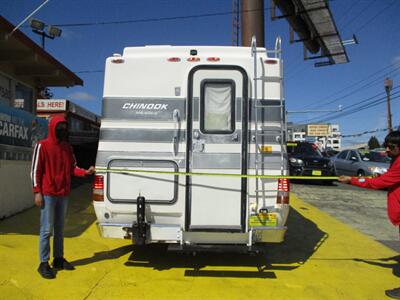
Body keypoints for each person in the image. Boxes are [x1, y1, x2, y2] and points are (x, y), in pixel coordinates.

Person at [30, 115, 95, 279]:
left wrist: (85, 172)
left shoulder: (68, 148)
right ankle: (43, 263)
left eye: (65, 127)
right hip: (48, 194)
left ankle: (58, 259)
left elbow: (73, 168)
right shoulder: (42, 146)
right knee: (46, 229)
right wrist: (37, 191)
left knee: (59, 229)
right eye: (60, 127)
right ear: (52, 128)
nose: (63, 130)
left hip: (63, 194)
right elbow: (35, 170)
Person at [338, 130, 400, 299]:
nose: (387, 150)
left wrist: (352, 180)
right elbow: (390, 178)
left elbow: (380, 183)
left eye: (390, 147)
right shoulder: (396, 160)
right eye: (386, 146)